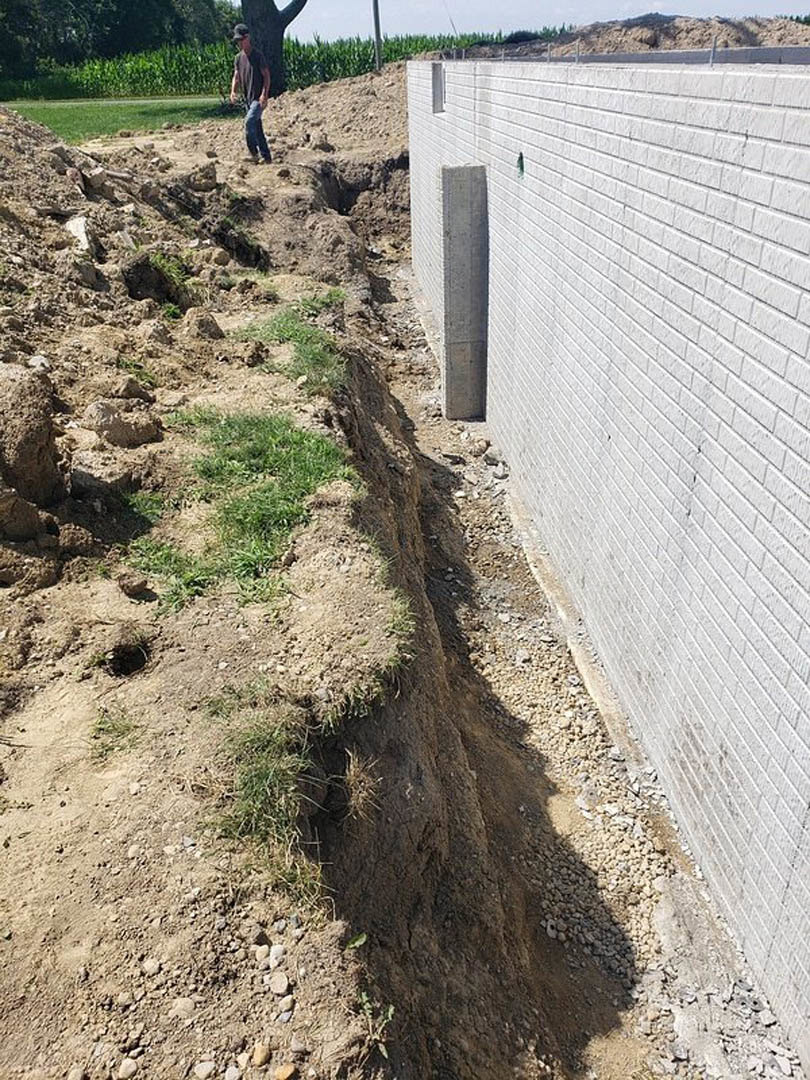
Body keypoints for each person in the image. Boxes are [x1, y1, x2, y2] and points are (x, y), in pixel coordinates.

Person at [229, 23, 272, 164]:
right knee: (257, 128)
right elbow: (236, 76)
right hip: (247, 99)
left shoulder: (258, 55)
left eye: (241, 40)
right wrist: (233, 91)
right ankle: (267, 157)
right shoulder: (238, 58)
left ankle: (253, 153)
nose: (239, 43)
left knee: (248, 123)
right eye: (237, 41)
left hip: (257, 99)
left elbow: (266, 76)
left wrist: (264, 95)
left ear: (248, 37)